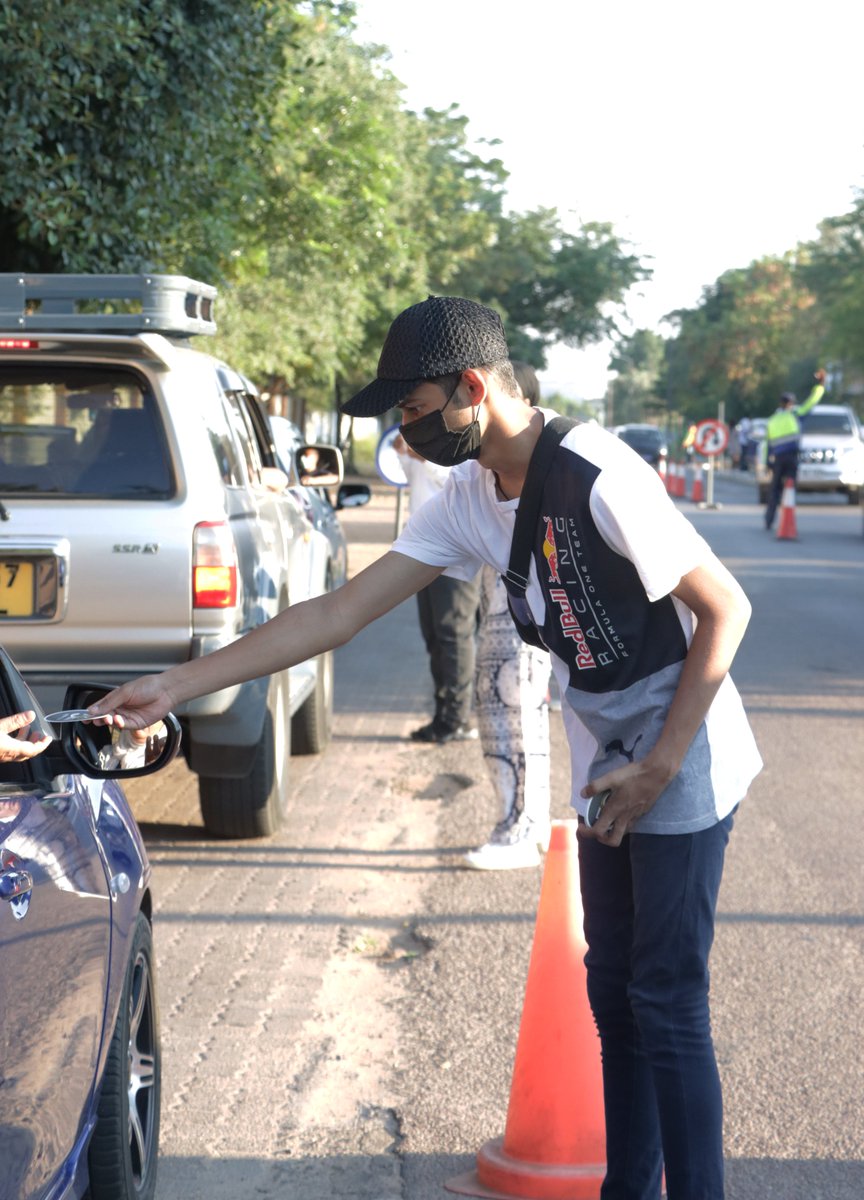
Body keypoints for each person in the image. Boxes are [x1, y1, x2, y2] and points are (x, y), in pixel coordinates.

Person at [90, 295, 762, 1200]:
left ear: (472, 388)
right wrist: (173, 686)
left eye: (410, 410)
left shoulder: (599, 474)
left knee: (668, 998)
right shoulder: (469, 500)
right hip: (610, 752)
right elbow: (335, 613)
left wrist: (663, 765)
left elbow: (726, 608)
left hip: (685, 740)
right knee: (614, 995)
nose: (403, 435)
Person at [466, 358, 552, 870]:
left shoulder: (541, 471)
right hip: (501, 620)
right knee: (510, 714)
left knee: (513, 715)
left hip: (519, 628)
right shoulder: (494, 476)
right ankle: (524, 819)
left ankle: (519, 826)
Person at [394, 432, 480, 744]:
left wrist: (424, 457)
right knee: (434, 635)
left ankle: (456, 719)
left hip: (454, 554)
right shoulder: (423, 440)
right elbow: (411, 478)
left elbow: (459, 483)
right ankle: (443, 713)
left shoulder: (460, 439)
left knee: (453, 634)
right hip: (422, 552)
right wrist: (404, 456)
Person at [762, 369, 826, 530]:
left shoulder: (772, 420)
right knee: (790, 488)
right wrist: (820, 385)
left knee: (774, 490)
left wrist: (766, 463)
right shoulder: (795, 414)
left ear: (780, 403)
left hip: (777, 459)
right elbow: (812, 402)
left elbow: (767, 445)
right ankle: (787, 519)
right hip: (791, 458)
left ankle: (769, 520)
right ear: (791, 404)